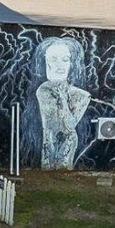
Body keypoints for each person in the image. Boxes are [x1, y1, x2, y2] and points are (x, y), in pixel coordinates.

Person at [35, 38, 91, 169]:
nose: (59, 65)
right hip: (49, 143)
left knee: (63, 173)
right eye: (53, 59)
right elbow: (49, 124)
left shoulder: (82, 95)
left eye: (65, 59)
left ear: (71, 64)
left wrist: (62, 97)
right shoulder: (43, 90)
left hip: (68, 142)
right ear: (45, 62)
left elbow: (69, 125)